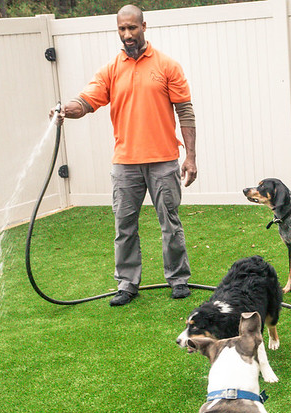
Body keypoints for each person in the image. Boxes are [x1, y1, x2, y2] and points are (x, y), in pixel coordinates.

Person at [52, 4, 196, 306]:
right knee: (124, 226)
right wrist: (66, 109)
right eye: (122, 29)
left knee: (170, 222)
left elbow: (185, 111)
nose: (127, 34)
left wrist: (191, 157)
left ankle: (178, 279)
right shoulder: (110, 70)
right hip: (125, 164)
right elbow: (86, 101)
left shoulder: (167, 65)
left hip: (163, 160)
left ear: (144, 26)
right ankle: (127, 284)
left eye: (132, 27)